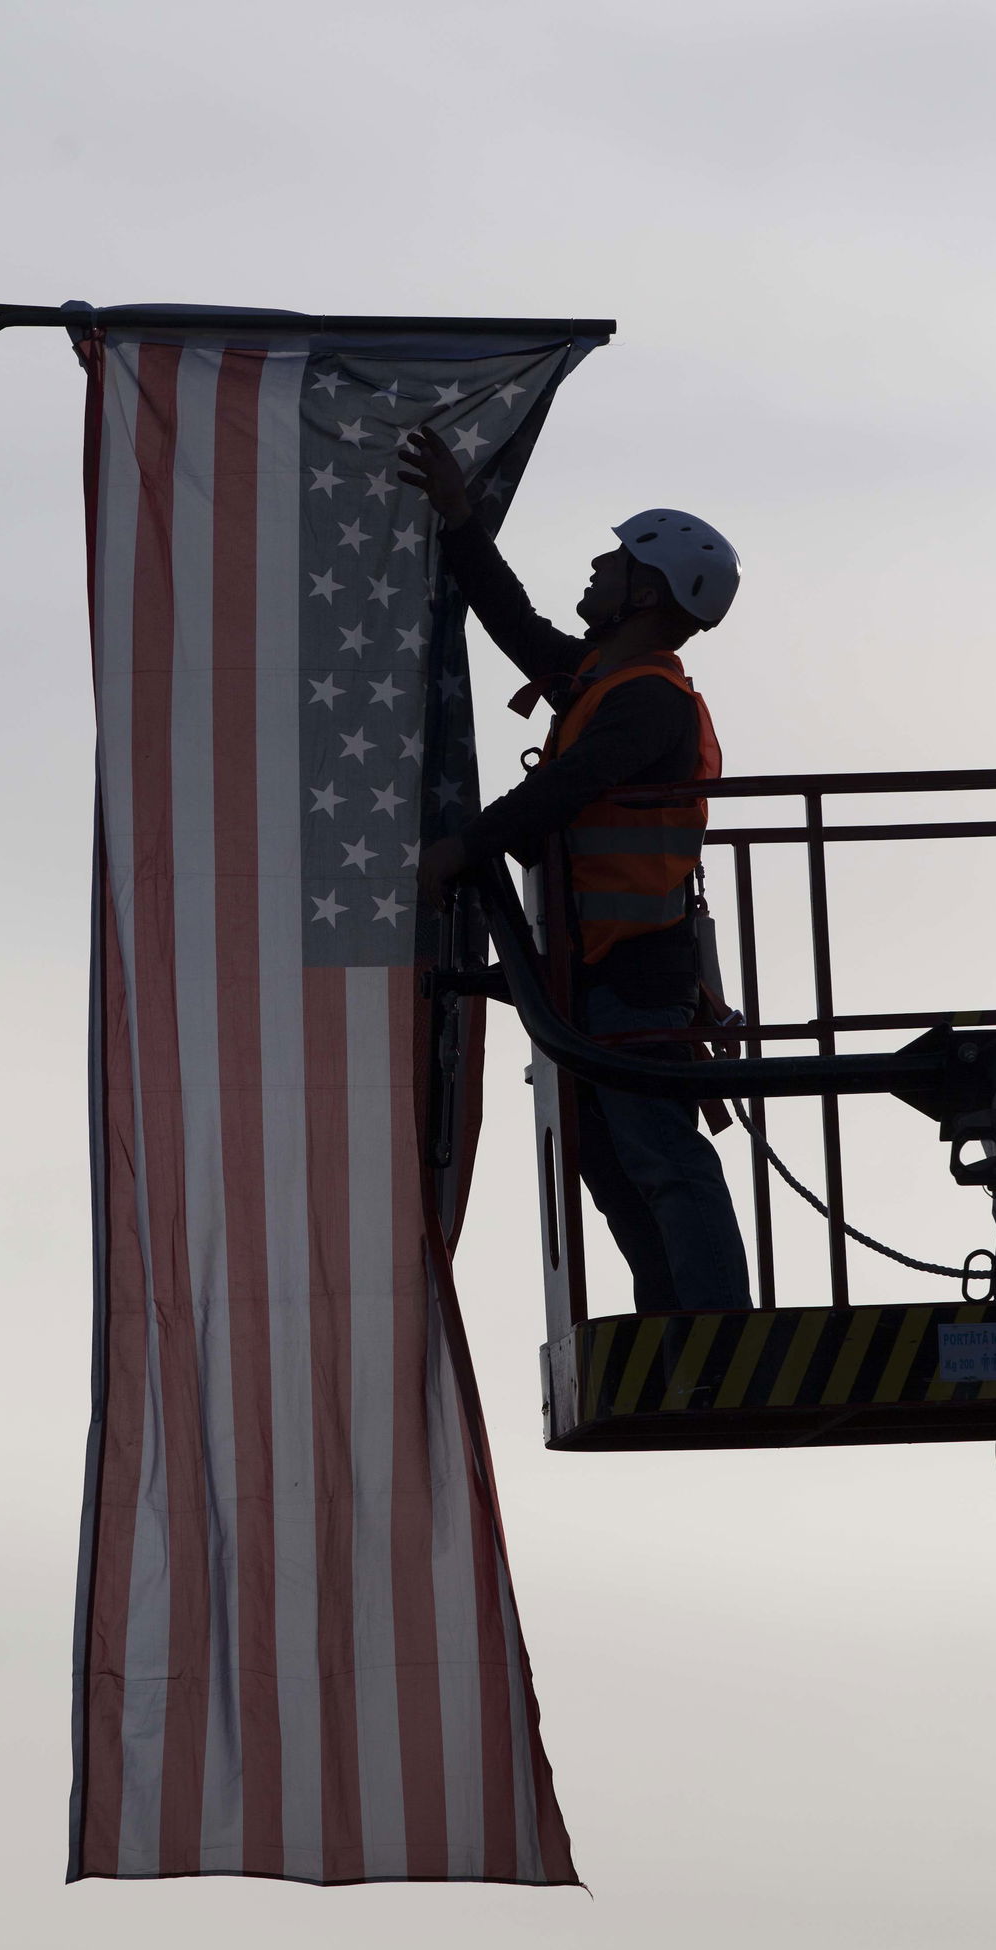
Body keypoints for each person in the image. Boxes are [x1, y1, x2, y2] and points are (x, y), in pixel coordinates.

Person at [398, 425, 751, 1313]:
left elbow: (565, 788)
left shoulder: (645, 703)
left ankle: (714, 1328)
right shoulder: (600, 675)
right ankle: (675, 1323)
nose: (595, 573)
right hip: (597, 970)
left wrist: (457, 848)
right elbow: (512, 621)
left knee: (658, 1152)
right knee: (607, 1154)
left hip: (636, 973)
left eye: (613, 563)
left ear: (650, 592)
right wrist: (457, 517)